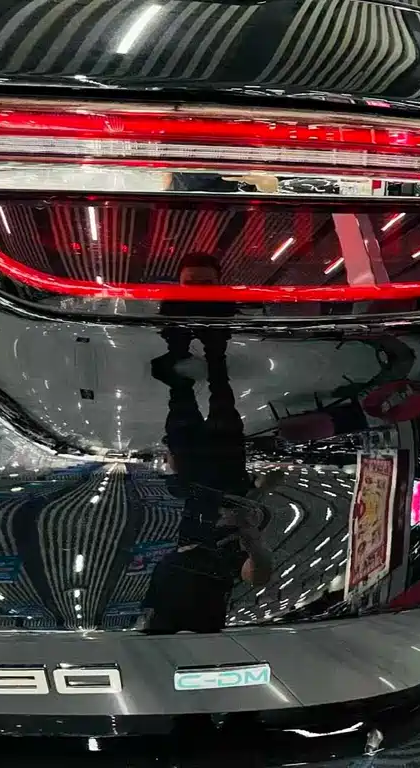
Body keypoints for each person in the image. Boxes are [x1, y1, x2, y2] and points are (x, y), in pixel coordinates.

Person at [144, 252, 273, 633]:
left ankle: (211, 359)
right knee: (218, 398)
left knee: (187, 398)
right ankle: (209, 361)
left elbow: (258, 574)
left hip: (196, 469)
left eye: (206, 283)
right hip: (226, 466)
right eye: (191, 282)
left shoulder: (202, 545)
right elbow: (258, 574)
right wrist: (252, 533)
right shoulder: (230, 548)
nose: (198, 290)